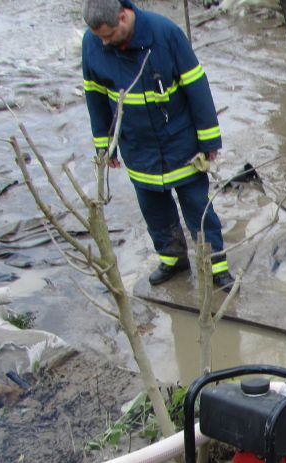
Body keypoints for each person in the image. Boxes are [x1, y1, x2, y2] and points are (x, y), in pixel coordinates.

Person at [81, 0, 234, 290]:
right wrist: (105, 147)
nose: (103, 42)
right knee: (154, 211)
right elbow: (96, 98)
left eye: (108, 35)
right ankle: (173, 260)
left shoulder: (165, 34)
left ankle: (217, 267)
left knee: (198, 208)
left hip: (180, 142)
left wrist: (209, 140)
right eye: (99, 36)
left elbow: (197, 87)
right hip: (138, 148)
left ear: (124, 17)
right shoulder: (92, 45)